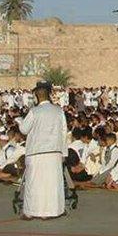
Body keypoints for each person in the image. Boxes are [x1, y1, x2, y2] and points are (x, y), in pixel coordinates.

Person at [17, 81, 69, 219]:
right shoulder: (58, 111)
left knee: (35, 183)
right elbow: (64, 132)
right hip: (54, 152)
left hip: (36, 152)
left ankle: (31, 212)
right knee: (52, 183)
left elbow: (23, 129)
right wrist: (64, 153)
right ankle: (52, 211)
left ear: (36, 96)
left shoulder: (34, 111)